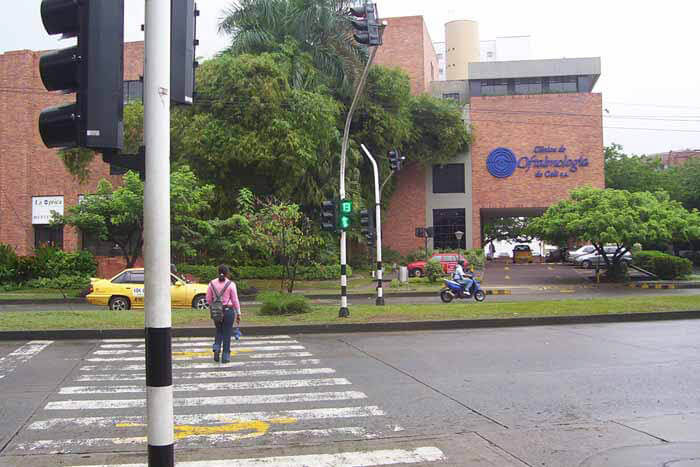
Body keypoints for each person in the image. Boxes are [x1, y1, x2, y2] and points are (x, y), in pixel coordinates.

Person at [206, 265, 241, 363]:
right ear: (227, 273)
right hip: (228, 311)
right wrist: (238, 313)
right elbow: (235, 300)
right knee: (227, 333)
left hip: (216, 311)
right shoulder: (231, 284)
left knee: (218, 331)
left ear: (218, 272)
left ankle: (216, 348)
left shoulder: (211, 283)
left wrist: (213, 306)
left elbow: (208, 299)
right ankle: (225, 355)